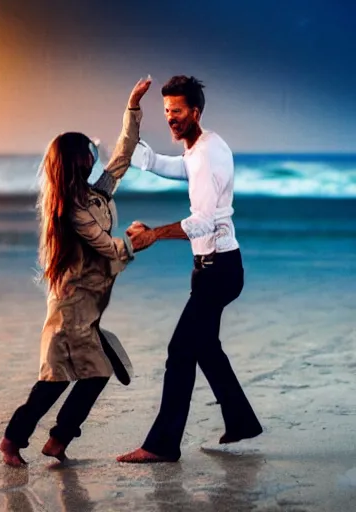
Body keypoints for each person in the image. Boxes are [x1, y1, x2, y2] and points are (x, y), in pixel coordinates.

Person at [0, 77, 152, 467]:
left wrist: (132, 107)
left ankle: (54, 441)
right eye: (87, 152)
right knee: (58, 380)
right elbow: (107, 245)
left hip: (88, 308)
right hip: (70, 311)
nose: (93, 156)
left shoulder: (94, 193)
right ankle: (18, 441)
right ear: (74, 161)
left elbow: (122, 155)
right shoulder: (72, 209)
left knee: (83, 375)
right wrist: (140, 239)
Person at [117, 75, 263, 463]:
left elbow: (202, 221)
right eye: (166, 111)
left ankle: (162, 445)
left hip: (218, 270)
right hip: (216, 268)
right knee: (205, 348)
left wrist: (152, 235)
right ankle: (242, 422)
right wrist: (135, 123)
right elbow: (167, 165)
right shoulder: (201, 146)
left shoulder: (206, 155)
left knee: (180, 351)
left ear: (194, 111)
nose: (171, 118)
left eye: (177, 111)